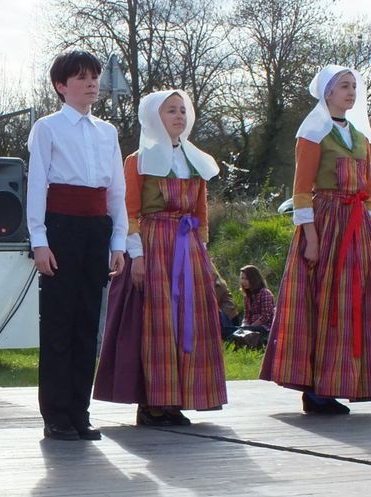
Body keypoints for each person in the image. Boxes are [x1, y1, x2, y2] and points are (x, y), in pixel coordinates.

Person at [259, 65, 371, 415]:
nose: (351, 92)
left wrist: (369, 225)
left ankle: (347, 381)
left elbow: (366, 190)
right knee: (325, 301)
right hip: (326, 222)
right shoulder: (313, 131)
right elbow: (302, 189)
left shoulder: (359, 136)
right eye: (343, 86)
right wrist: (310, 235)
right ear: (327, 93)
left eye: (353, 86)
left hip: (356, 227)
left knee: (355, 301)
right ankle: (317, 388)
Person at [94, 89, 225, 427]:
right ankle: (152, 401)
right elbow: (130, 212)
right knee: (157, 322)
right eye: (170, 110)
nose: (179, 116)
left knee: (187, 320)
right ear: (154, 116)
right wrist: (135, 256)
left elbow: (201, 213)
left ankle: (178, 397)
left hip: (187, 246)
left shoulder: (197, 160)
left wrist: (203, 256)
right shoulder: (138, 161)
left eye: (182, 110)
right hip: (153, 246)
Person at [27, 49, 127, 441]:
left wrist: (118, 240)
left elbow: (116, 189)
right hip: (61, 226)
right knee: (58, 324)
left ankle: (79, 412)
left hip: (95, 228)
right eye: (82, 77)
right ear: (61, 86)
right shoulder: (48, 127)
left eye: (95, 77)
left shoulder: (108, 131)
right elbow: (37, 184)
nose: (91, 84)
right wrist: (39, 240)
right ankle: (55, 415)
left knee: (87, 324)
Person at [229, 265, 275, 349]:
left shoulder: (265, 293)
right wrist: (244, 325)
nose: (243, 281)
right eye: (242, 278)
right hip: (251, 326)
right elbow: (246, 316)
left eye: (246, 279)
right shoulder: (247, 296)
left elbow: (266, 316)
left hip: (265, 327)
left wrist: (250, 327)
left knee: (235, 331)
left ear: (254, 279)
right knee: (231, 330)